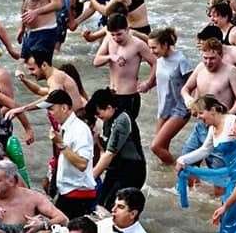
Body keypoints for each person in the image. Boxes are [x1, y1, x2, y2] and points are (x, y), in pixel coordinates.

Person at [176, 97, 236, 233]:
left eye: (201, 113)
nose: (199, 117)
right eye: (197, 115)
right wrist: (182, 160)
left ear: (213, 110)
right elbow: (205, 150)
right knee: (228, 212)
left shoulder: (232, 121)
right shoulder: (212, 129)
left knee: (233, 212)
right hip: (231, 174)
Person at [89, 88, 146, 208]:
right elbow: (104, 149)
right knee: (99, 203)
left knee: (112, 205)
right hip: (116, 169)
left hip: (132, 171)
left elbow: (110, 153)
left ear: (109, 107)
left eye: (99, 113)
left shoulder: (122, 120)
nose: (98, 117)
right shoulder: (107, 120)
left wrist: (89, 178)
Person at [45, 89, 97, 219]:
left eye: (51, 109)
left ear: (64, 108)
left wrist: (60, 144)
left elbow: (82, 163)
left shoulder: (80, 130)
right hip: (67, 192)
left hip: (78, 195)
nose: (49, 113)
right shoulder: (64, 127)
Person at [93, 12, 156, 118]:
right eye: (113, 34)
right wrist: (110, 57)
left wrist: (149, 83)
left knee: (127, 131)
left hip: (128, 96)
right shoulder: (109, 39)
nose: (116, 38)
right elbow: (96, 62)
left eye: (119, 34)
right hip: (111, 94)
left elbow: (155, 63)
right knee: (108, 131)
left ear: (127, 29)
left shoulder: (138, 44)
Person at [145, 27, 192, 164]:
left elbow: (193, 82)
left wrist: (194, 104)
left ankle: (179, 171)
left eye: (154, 48)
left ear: (165, 45)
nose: (151, 52)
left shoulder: (181, 60)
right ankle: (168, 182)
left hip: (180, 109)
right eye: (150, 48)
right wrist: (147, 85)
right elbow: (161, 79)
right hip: (164, 108)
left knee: (156, 146)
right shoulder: (159, 60)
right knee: (162, 147)